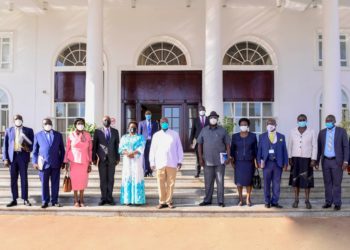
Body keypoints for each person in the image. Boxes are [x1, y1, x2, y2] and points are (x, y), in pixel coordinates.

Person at [197, 111, 231, 207]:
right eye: (211, 117)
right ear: (209, 119)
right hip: (207, 161)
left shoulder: (222, 130)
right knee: (208, 182)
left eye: (215, 117)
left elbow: (228, 144)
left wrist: (228, 156)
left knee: (220, 181)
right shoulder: (204, 130)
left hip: (220, 161)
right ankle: (207, 200)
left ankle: (221, 201)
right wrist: (200, 158)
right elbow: (199, 144)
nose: (213, 119)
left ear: (217, 119)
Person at [149, 117, 184, 209]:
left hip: (172, 162)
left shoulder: (175, 134)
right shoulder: (156, 135)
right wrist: (152, 162)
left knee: (171, 183)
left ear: (168, 123)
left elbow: (179, 148)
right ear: (160, 124)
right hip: (160, 162)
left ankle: (169, 201)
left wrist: (180, 161)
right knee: (160, 183)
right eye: (162, 122)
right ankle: (162, 201)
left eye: (166, 122)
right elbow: (152, 149)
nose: (164, 123)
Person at [317, 114, 349, 211]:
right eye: (326, 121)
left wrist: (346, 161)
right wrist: (316, 161)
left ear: (334, 121)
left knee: (336, 183)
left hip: (337, 161)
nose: (328, 122)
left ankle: (337, 203)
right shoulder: (322, 133)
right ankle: (328, 202)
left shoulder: (341, 131)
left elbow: (346, 147)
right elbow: (319, 148)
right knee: (327, 183)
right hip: (325, 161)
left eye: (330, 121)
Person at [32, 118, 65, 208]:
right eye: (46, 123)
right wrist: (34, 162)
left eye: (49, 123)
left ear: (52, 124)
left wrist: (63, 162)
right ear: (42, 125)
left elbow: (62, 150)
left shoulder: (58, 135)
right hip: (43, 164)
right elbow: (34, 151)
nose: (48, 124)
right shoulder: (38, 135)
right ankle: (44, 201)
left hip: (55, 163)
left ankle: (54, 201)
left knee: (55, 183)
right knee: (44, 184)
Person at [3, 114, 34, 207]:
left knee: (24, 179)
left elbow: (32, 145)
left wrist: (27, 148)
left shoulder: (28, 130)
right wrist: (5, 158)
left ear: (22, 120)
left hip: (23, 157)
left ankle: (25, 199)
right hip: (12, 158)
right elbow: (5, 146)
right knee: (13, 179)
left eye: (20, 119)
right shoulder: (9, 130)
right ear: (13, 120)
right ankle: (14, 199)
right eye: (16, 119)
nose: (18, 120)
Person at [287, 114, 317, 209]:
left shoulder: (311, 131)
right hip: (295, 159)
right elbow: (290, 145)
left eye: (303, 119)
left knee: (307, 180)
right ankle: (296, 200)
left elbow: (315, 146)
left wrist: (313, 159)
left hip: (307, 159)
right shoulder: (292, 131)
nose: (302, 121)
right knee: (295, 180)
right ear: (297, 121)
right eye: (300, 120)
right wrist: (290, 157)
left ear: (306, 120)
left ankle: (307, 200)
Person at [257, 118, 288, 209]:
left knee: (276, 184)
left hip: (277, 164)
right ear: (266, 125)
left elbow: (284, 150)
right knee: (266, 183)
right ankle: (267, 201)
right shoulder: (262, 136)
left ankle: (275, 201)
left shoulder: (281, 136)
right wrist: (259, 161)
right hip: (266, 164)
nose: (270, 125)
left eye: (272, 123)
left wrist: (286, 163)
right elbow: (259, 150)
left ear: (275, 125)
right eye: (268, 123)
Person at [64, 118, 92, 207]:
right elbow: (67, 148)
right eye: (79, 123)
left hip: (84, 161)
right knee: (75, 181)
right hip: (73, 161)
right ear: (75, 125)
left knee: (83, 181)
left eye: (82, 123)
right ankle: (76, 200)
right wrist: (65, 162)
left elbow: (90, 149)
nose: (80, 125)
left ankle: (82, 199)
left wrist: (90, 162)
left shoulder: (87, 135)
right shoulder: (71, 135)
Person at [92, 115, 120, 206]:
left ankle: (110, 198)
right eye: (104, 120)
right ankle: (103, 198)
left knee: (111, 179)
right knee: (103, 179)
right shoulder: (97, 131)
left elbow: (117, 146)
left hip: (112, 159)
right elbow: (95, 146)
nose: (106, 121)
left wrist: (118, 158)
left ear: (110, 121)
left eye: (107, 120)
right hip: (102, 159)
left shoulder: (115, 132)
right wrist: (94, 158)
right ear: (102, 121)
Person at [230, 118, 257, 206]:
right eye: (241, 124)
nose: (243, 126)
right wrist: (232, 160)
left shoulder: (253, 136)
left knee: (249, 181)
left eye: (245, 124)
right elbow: (232, 150)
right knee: (239, 182)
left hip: (249, 162)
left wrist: (256, 161)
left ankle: (248, 199)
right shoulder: (235, 136)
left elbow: (255, 149)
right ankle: (241, 199)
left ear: (248, 125)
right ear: (239, 126)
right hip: (239, 162)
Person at [119, 121, 146, 205]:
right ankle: (127, 200)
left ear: (137, 128)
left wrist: (133, 153)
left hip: (136, 161)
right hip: (127, 161)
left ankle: (137, 200)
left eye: (134, 127)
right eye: (131, 127)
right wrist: (127, 153)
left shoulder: (140, 137)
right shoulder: (124, 137)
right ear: (128, 128)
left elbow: (141, 147)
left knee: (137, 177)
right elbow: (120, 148)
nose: (132, 128)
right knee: (127, 177)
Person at [189, 106, 209, 178]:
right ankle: (198, 172)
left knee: (206, 157)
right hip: (198, 141)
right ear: (198, 111)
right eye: (200, 110)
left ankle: (207, 171)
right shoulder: (195, 120)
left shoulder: (209, 119)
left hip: (207, 142)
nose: (202, 111)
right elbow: (192, 131)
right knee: (198, 157)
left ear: (205, 110)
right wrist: (191, 141)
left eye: (203, 110)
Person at [138, 110, 159, 177]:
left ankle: (150, 171)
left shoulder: (155, 123)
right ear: (145, 115)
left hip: (152, 142)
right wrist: (139, 143)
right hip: (144, 142)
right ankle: (145, 171)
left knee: (151, 156)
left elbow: (156, 133)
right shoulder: (141, 123)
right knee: (144, 157)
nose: (148, 116)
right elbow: (139, 133)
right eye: (147, 114)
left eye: (149, 114)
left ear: (151, 115)